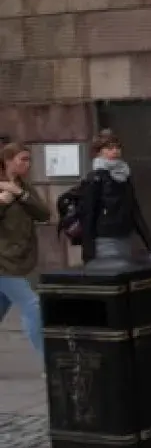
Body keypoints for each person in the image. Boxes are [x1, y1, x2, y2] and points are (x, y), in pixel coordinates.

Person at [0, 142, 51, 361]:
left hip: (24, 258)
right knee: (33, 306)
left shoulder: (25, 187)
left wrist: (19, 193)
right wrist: (3, 201)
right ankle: (48, 360)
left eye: (29, 159)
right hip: (4, 262)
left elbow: (44, 214)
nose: (27, 164)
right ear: (8, 161)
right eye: (22, 159)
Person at [80, 130, 151, 263]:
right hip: (104, 240)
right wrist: (88, 252)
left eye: (117, 147)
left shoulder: (125, 177)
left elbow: (135, 212)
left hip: (125, 237)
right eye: (109, 148)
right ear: (99, 151)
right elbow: (88, 215)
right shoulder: (95, 178)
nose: (115, 151)